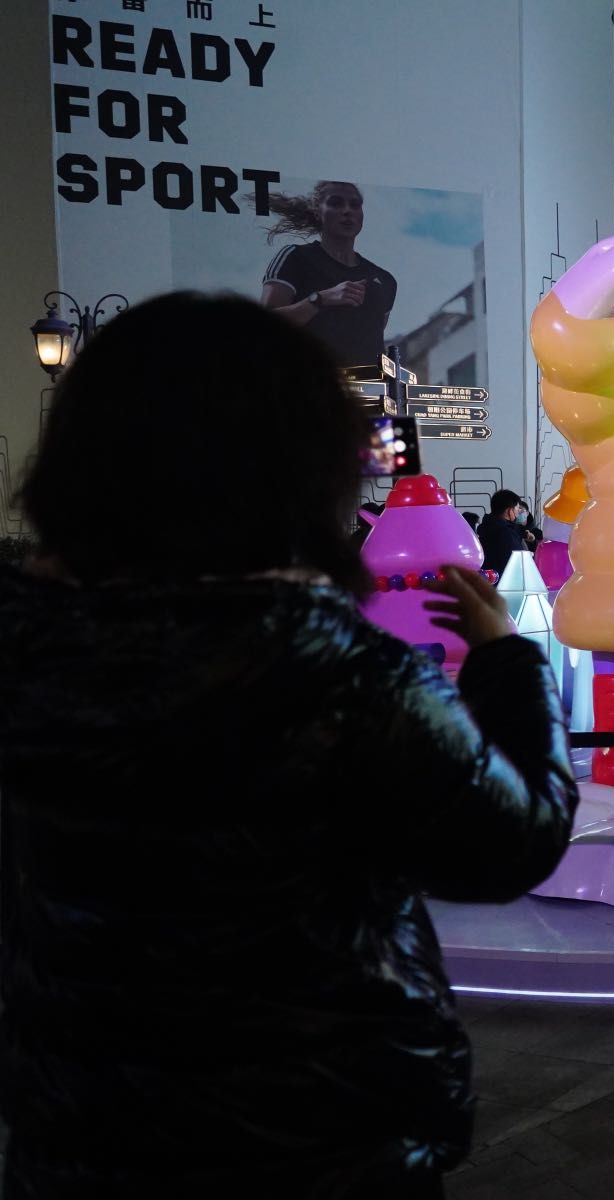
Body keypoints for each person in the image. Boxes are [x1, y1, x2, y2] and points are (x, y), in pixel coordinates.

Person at [0, 293, 576, 1196]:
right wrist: (506, 661)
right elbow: (513, 842)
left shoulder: (28, 648)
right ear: (302, 468)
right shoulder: (343, 674)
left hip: (79, 1135)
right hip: (317, 1137)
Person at [260, 180, 400, 369]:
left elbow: (372, 342)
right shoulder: (296, 258)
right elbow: (262, 326)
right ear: (317, 211)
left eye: (355, 205)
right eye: (336, 203)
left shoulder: (385, 280)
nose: (347, 211)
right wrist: (319, 300)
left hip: (365, 387)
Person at [477, 489, 530, 577]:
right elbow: (518, 564)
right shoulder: (507, 534)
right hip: (505, 581)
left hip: (487, 580)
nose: (518, 513)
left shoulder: (484, 528)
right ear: (510, 511)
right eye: (517, 509)